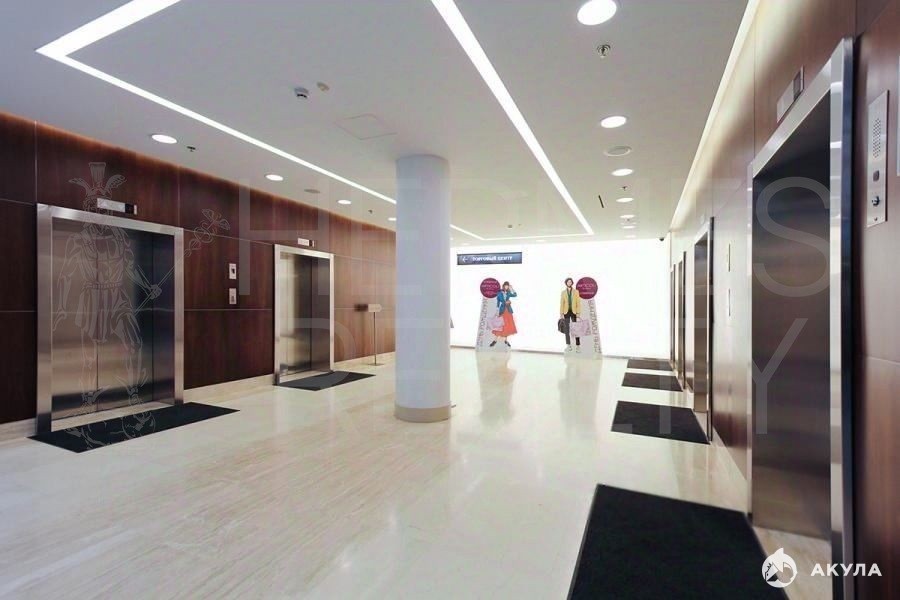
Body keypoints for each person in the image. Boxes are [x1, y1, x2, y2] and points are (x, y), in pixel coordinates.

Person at [490, 281, 518, 348]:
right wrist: (497, 310)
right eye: (506, 285)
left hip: (508, 310)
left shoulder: (509, 293)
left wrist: (512, 288)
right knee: (500, 325)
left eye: (507, 286)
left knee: (507, 325)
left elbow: (515, 295)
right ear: (503, 286)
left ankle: (505, 340)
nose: (506, 287)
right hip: (502, 310)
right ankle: (495, 340)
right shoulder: (499, 293)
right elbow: (498, 302)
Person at [560, 277, 582, 353]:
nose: (569, 283)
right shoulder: (563, 292)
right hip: (566, 312)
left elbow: (578, 303)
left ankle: (578, 346)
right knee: (567, 330)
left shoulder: (576, 292)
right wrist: (561, 313)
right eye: (568, 282)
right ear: (566, 283)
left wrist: (578, 313)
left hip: (574, 312)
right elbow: (562, 303)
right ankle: (568, 345)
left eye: (570, 282)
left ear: (572, 283)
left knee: (576, 329)